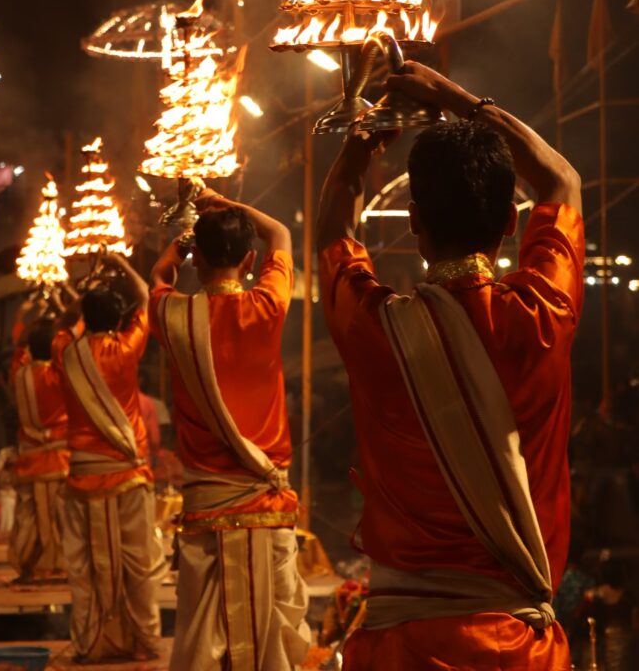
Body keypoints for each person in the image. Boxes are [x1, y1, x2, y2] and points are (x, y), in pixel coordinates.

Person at [317, 60, 584, 671]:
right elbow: (562, 182)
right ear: (512, 224)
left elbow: (332, 229)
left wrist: (361, 141)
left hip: (397, 652)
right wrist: (456, 97)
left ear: (413, 224)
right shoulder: (545, 312)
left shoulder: (374, 327)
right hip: (519, 655)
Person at [149, 194, 310, 671]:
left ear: (195, 260)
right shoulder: (267, 305)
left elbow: (157, 281)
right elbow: (280, 232)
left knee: (201, 631)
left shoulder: (171, 315)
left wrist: (173, 252)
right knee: (269, 634)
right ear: (250, 261)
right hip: (263, 503)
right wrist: (224, 202)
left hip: (206, 508)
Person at [54, 254, 165, 663]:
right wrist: (119, 262)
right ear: (120, 321)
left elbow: (63, 323)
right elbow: (145, 295)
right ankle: (145, 643)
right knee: (139, 565)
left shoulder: (66, 351)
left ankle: (89, 644)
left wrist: (82, 295)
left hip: (82, 479)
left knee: (83, 569)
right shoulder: (128, 346)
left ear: (85, 318)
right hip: (128, 477)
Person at [8, 298, 69, 581]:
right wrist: (59, 310)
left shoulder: (19, 375)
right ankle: (62, 565)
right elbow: (71, 340)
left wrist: (25, 313)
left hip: (31, 460)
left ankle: (31, 566)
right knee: (61, 515)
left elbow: (18, 345)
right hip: (60, 458)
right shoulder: (62, 373)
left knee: (31, 515)